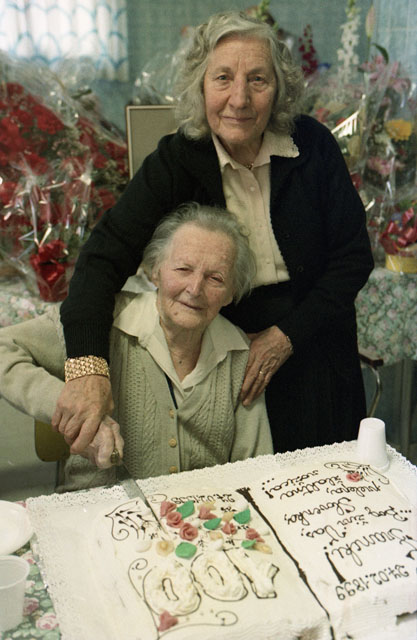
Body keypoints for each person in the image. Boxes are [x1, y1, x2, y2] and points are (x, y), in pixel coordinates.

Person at [55, 10, 373, 455]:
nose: (239, 99)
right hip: (224, 364)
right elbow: (102, 259)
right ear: (200, 86)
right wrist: (88, 368)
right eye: (223, 78)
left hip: (315, 343)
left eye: (257, 80)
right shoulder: (176, 161)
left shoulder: (313, 145)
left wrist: (286, 335)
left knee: (323, 482)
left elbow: (353, 256)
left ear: (279, 89)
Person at [0, 204, 272, 491]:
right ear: (155, 271)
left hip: (203, 514)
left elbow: (255, 471)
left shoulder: (238, 353)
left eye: (215, 278)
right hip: (97, 511)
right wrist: (73, 403)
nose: (194, 289)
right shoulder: (99, 323)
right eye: (183, 269)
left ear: (230, 293)